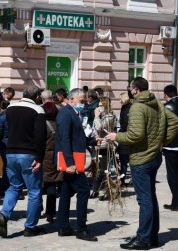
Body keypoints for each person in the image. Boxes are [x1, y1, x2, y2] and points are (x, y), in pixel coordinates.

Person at [107, 77, 178, 250]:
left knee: (145, 200)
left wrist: (116, 136)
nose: (130, 90)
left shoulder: (138, 107)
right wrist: (162, 141)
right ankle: (152, 236)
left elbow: (135, 135)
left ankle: (144, 239)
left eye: (131, 87)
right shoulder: (157, 103)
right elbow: (175, 121)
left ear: (135, 89)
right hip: (154, 156)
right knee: (150, 198)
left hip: (142, 158)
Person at [0, 85, 47, 238]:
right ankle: (30, 227)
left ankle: (4, 214)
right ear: (37, 96)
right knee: (34, 191)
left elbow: (2, 126)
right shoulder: (38, 110)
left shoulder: (10, 108)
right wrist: (40, 158)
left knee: (14, 186)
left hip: (11, 152)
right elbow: (40, 137)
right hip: (29, 154)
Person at [55, 88, 98, 242]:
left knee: (66, 191)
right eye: (81, 101)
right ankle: (81, 229)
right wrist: (70, 163)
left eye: (85, 100)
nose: (84, 103)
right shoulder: (66, 114)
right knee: (84, 190)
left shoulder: (74, 112)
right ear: (71, 99)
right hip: (71, 160)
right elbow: (65, 139)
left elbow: (77, 137)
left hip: (74, 158)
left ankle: (63, 226)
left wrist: (94, 141)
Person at [91, 96, 117, 199]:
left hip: (104, 145)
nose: (99, 107)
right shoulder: (102, 115)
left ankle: (108, 190)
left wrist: (96, 116)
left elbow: (99, 127)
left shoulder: (109, 116)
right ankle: (95, 190)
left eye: (101, 105)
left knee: (103, 169)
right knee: (96, 169)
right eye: (98, 105)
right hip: (97, 144)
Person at [41, 101, 63, 224]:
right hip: (57, 156)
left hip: (45, 157)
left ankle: (42, 209)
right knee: (54, 185)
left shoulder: (42, 125)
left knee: (43, 184)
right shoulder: (59, 124)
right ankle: (51, 212)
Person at [117, 91, 132, 185]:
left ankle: (123, 180)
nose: (119, 101)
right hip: (124, 136)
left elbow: (126, 124)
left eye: (120, 99)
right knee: (124, 161)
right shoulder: (124, 107)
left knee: (124, 160)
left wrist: (120, 132)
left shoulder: (129, 108)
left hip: (126, 136)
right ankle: (122, 180)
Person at [0, 99, 10, 197]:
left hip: (4, 144)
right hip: (12, 144)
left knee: (6, 168)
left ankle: (3, 189)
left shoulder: (1, 118)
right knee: (9, 168)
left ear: (0, 108)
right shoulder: (13, 116)